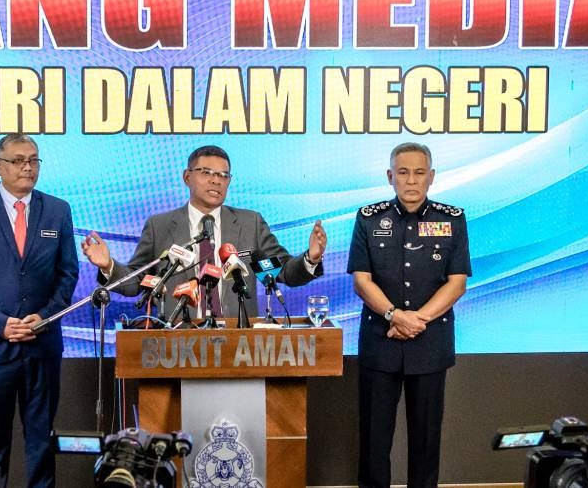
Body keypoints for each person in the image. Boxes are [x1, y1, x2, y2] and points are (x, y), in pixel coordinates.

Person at [0, 134, 79, 488]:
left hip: (43, 346)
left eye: (34, 160)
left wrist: (46, 317)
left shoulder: (57, 210)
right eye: (19, 160)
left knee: (41, 441)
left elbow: (68, 273)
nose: (27, 167)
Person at [347, 142, 471, 488]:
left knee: (426, 444)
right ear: (390, 176)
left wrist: (416, 320)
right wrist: (393, 315)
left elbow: (456, 283)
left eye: (419, 173)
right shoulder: (369, 218)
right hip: (379, 343)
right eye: (403, 173)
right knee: (373, 443)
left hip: (429, 345)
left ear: (431, 177)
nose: (411, 181)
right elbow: (361, 280)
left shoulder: (452, 219)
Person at [82, 145, 326, 320]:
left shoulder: (249, 224)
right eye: (206, 173)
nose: (216, 181)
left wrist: (310, 259)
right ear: (187, 177)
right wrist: (108, 266)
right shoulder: (160, 226)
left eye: (223, 175)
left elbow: (279, 272)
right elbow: (137, 282)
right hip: (177, 342)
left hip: (239, 341)